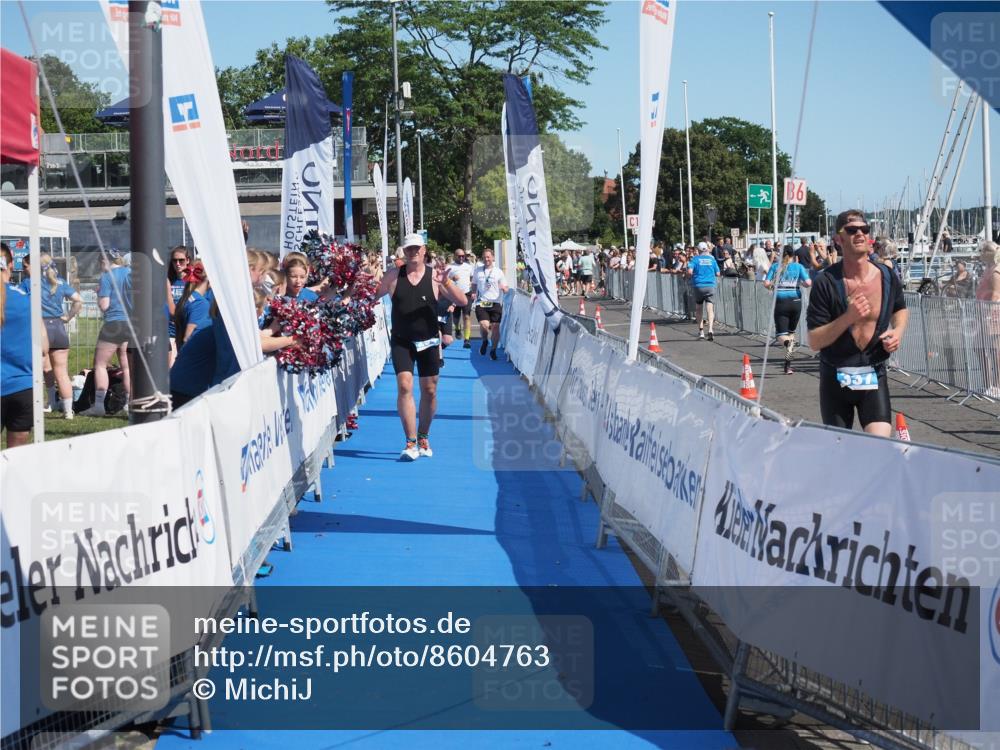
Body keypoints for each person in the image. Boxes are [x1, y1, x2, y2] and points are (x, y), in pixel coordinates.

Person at [807, 210, 908, 437]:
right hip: (836, 375)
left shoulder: (887, 276)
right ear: (838, 239)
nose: (860, 234)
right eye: (852, 230)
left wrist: (898, 331)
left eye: (864, 229)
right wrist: (847, 318)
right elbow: (814, 340)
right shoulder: (826, 282)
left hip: (874, 372)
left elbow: (900, 308)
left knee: (878, 445)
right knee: (840, 449)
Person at [373, 232, 467, 460]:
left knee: (429, 390)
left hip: (429, 341)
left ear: (424, 250)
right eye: (409, 249)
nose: (413, 252)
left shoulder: (436, 276)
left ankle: (424, 435)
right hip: (402, 340)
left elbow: (462, 301)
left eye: (417, 248)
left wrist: (445, 282)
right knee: (405, 386)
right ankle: (410, 442)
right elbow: (370, 296)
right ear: (403, 252)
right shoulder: (393, 276)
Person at [81, 249, 132, 417]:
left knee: (100, 364)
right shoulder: (130, 273)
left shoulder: (107, 276)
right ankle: (128, 404)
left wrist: (99, 296)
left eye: (99, 261)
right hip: (130, 323)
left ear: (105, 259)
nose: (99, 265)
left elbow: (104, 305)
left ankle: (99, 405)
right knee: (126, 365)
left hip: (113, 323)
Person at [1, 251, 45, 447]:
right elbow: (44, 347)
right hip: (24, 388)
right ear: (11, 266)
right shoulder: (26, 300)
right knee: (16, 464)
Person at [38, 253, 82, 417]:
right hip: (58, 327)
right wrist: (68, 317)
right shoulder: (61, 282)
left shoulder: (34, 283)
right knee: (61, 373)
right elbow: (79, 300)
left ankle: (49, 402)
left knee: (41, 369)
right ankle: (68, 411)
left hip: (41, 327)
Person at [764, 246, 812, 374]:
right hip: (796, 302)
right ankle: (787, 366)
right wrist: (800, 284)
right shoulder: (799, 267)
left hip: (781, 302)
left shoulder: (775, 267)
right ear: (794, 255)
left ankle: (787, 345)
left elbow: (766, 283)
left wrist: (773, 287)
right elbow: (808, 282)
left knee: (780, 335)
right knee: (791, 333)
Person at [470, 248, 510, 360]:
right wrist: (473, 292)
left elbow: (505, 286)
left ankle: (493, 350)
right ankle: (484, 340)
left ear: (492, 258)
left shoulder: (498, 271)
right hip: (482, 302)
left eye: (488, 257)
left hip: (495, 302)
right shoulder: (477, 270)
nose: (486, 259)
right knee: (484, 325)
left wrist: (505, 289)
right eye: (484, 257)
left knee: (496, 327)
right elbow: (474, 283)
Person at [975, 241, 1000, 398]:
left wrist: (989, 314)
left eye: (983, 251)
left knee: (994, 350)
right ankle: (987, 383)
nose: (980, 254)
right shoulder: (988, 269)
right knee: (979, 348)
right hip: (983, 312)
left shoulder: (996, 271)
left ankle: (996, 385)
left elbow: (996, 294)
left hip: (993, 314)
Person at [687, 241, 721, 341]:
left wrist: (690, 276)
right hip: (710, 285)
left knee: (699, 308)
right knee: (710, 308)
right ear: (706, 249)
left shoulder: (695, 259)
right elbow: (718, 273)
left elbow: (689, 271)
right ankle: (710, 330)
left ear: (698, 250)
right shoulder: (712, 259)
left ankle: (701, 331)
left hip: (698, 285)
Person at [166, 246, 192, 366]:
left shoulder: (192, 282)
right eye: (174, 260)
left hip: (187, 332)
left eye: (181, 260)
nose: (177, 264)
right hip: (171, 332)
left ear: (188, 260)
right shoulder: (169, 281)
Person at [447, 249, 474, 347]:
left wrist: (473, 289)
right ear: (455, 256)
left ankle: (467, 340)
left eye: (463, 256)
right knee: (456, 317)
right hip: (455, 295)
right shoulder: (450, 267)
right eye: (459, 256)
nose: (462, 258)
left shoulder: (469, 267)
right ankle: (457, 328)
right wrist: (451, 278)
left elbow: (472, 278)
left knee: (467, 316)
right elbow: (444, 279)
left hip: (467, 293)